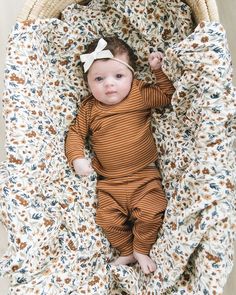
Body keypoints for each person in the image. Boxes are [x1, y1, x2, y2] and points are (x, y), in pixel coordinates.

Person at [65, 36, 175, 274]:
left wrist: (158, 72)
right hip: (110, 184)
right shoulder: (90, 109)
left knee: (152, 212)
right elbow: (75, 133)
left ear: (132, 75)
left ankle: (141, 249)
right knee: (107, 221)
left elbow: (166, 97)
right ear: (88, 83)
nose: (109, 85)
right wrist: (77, 158)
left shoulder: (139, 94)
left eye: (118, 76)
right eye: (99, 79)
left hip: (144, 178)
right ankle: (126, 251)